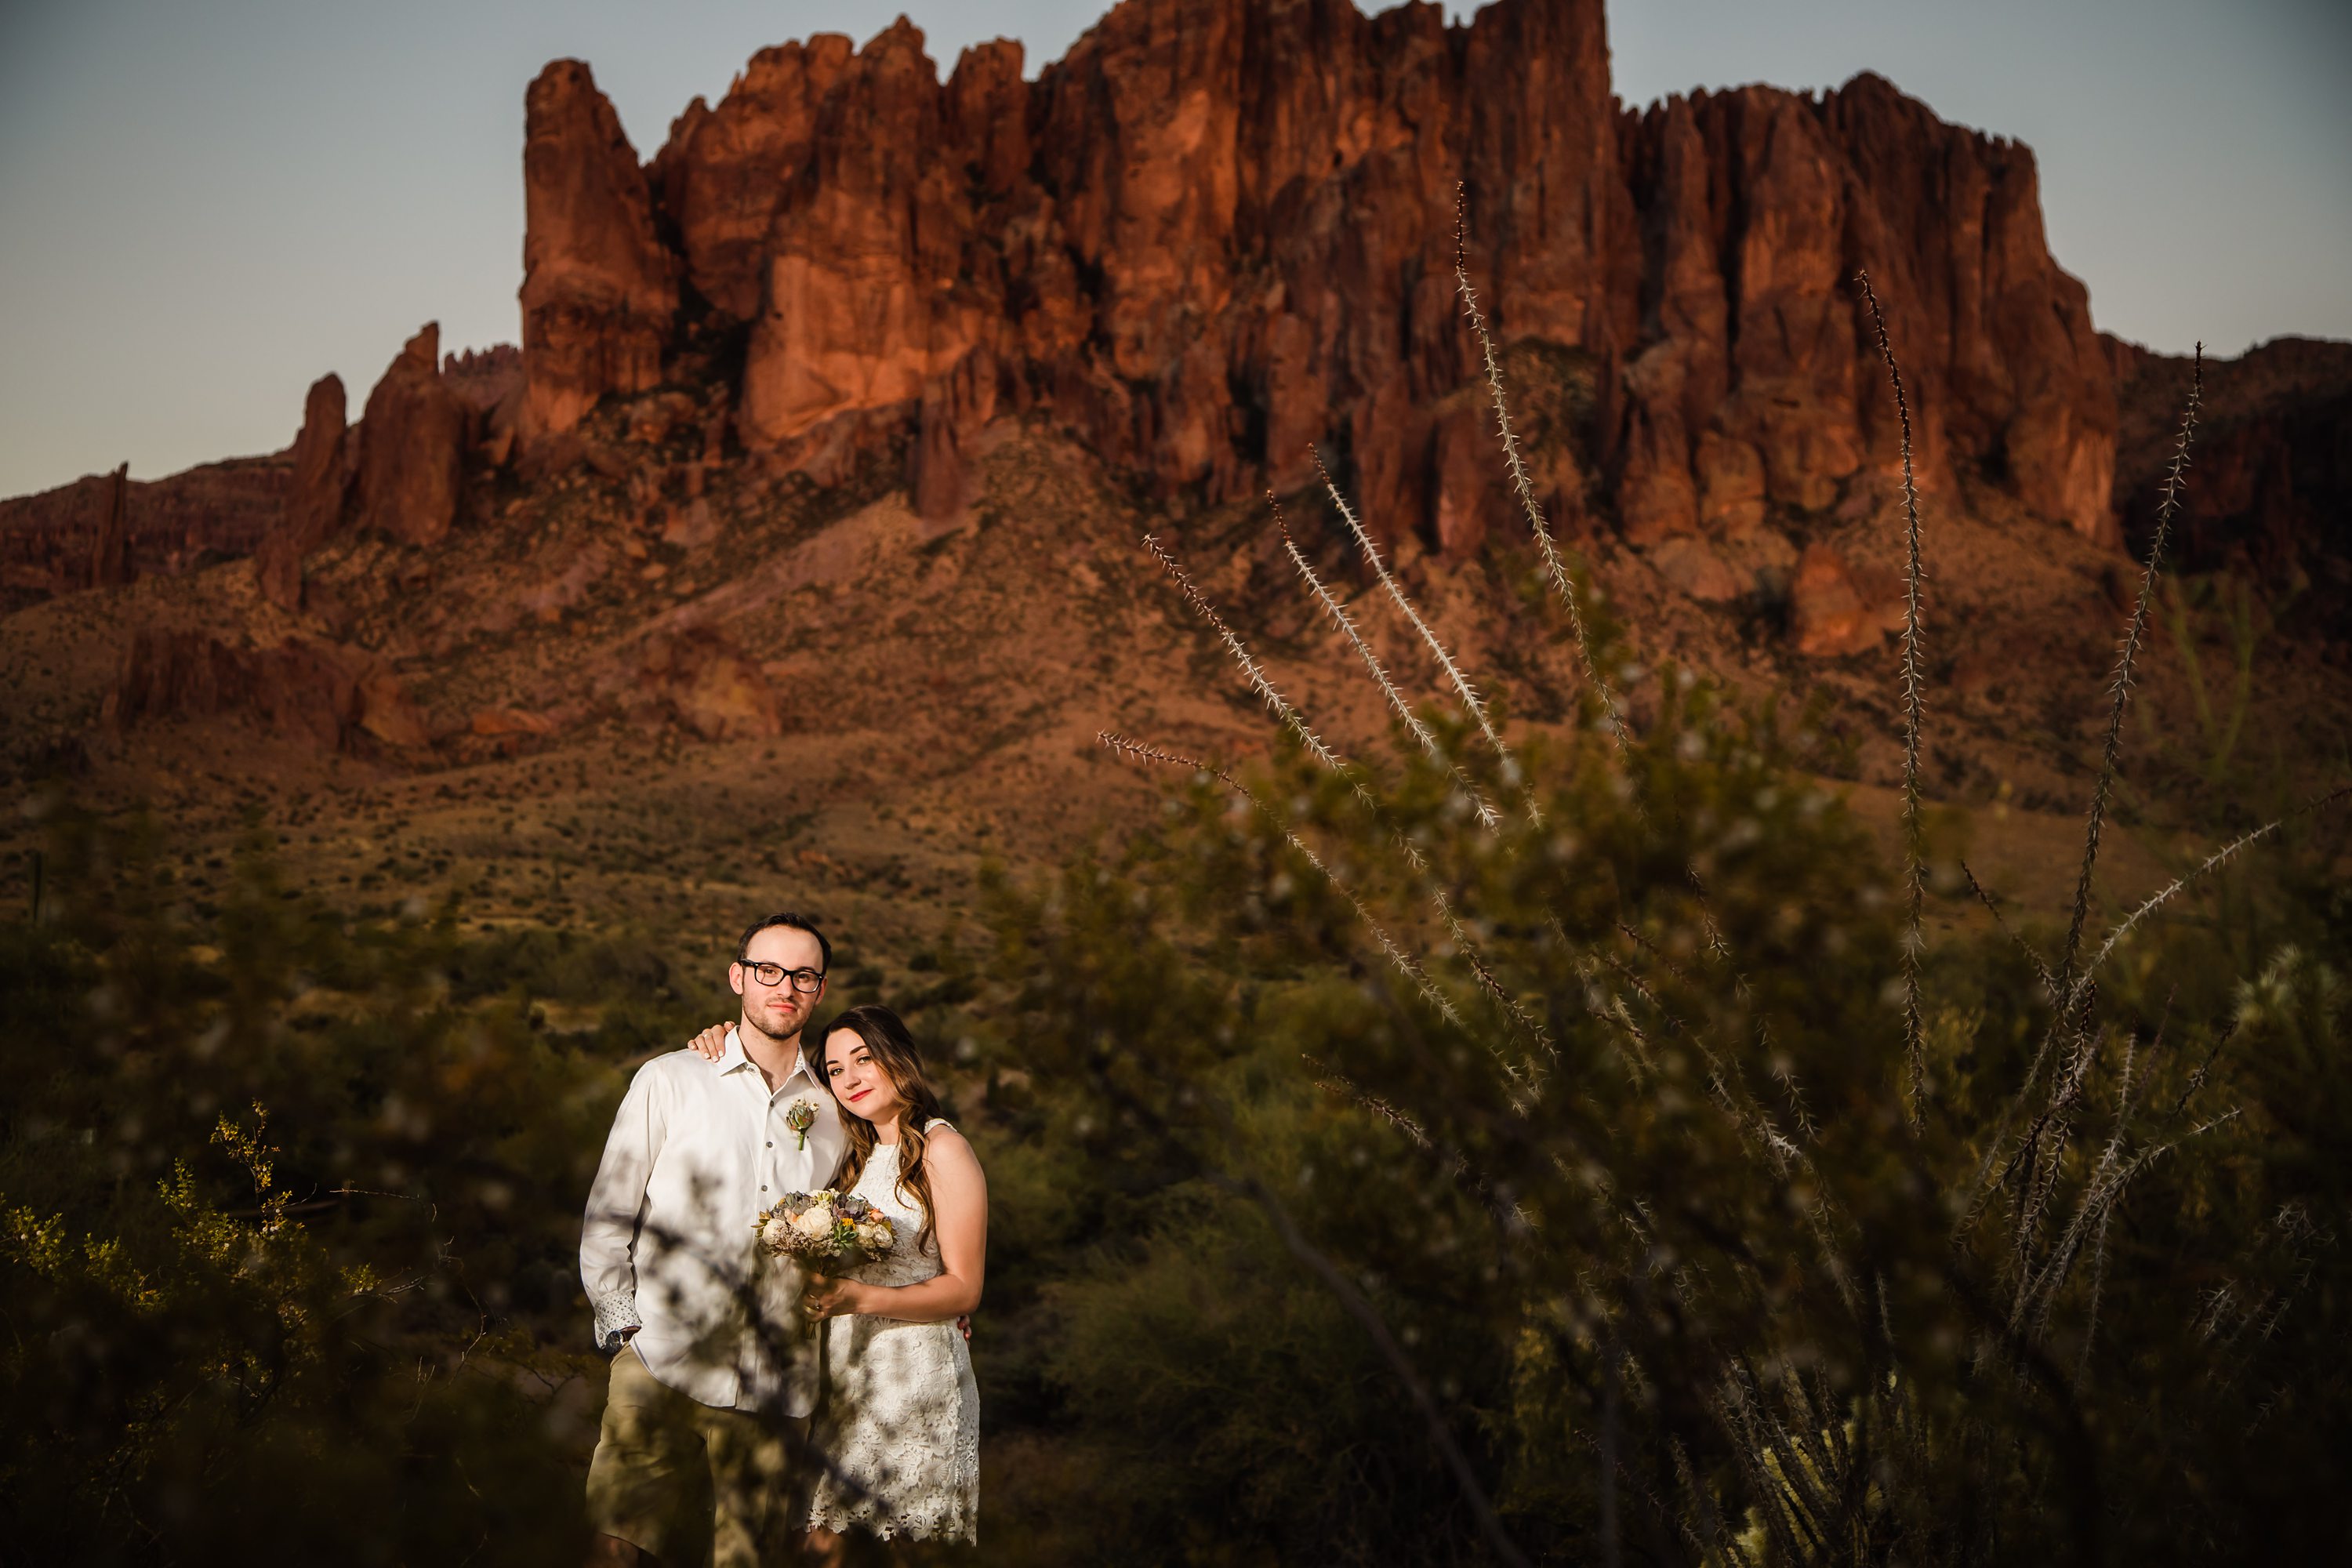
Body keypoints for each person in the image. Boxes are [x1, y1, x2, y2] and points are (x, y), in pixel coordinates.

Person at [579, 913, 848, 1567]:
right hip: (661, 1359)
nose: (784, 987)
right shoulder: (670, 1079)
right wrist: (625, 1332)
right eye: (768, 971)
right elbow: (611, 1210)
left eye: (802, 975)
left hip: (775, 1383)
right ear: (739, 978)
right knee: (616, 1544)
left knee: (747, 1559)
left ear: (819, 990)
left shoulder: (839, 1109)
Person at [689, 1003, 985, 1555]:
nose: (849, 1079)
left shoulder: (943, 1148)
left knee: (878, 1548)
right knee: (818, 1546)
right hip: (841, 1372)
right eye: (835, 1070)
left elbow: (965, 1288)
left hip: (910, 1371)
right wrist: (724, 1036)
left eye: (864, 1059)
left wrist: (858, 1298)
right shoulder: (854, 1153)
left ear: (899, 1058)